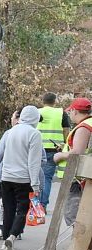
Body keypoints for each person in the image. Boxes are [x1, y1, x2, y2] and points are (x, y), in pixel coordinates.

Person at [0, 106, 43, 250]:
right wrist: (35, 184)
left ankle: (5, 239)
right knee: (22, 210)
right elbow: (34, 162)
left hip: (6, 178)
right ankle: (13, 236)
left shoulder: (10, 132)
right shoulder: (35, 134)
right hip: (24, 179)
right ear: (35, 118)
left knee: (8, 209)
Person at [53, 97, 92, 231]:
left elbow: (77, 153)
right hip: (83, 177)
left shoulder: (83, 127)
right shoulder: (89, 123)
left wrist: (60, 155)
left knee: (73, 214)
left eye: (70, 111)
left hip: (77, 177)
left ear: (75, 111)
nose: (69, 114)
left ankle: (77, 248)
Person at [0, 109, 21, 241]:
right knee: (18, 202)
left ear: (18, 118)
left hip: (6, 174)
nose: (11, 119)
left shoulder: (9, 133)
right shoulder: (34, 134)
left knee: (0, 200)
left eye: (13, 116)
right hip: (23, 176)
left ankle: (1, 228)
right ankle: (16, 230)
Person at [37, 93, 70, 208]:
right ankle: (42, 205)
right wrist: (65, 145)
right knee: (47, 178)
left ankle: (34, 205)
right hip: (53, 149)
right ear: (54, 101)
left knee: (35, 177)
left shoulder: (37, 112)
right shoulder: (61, 113)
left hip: (36, 149)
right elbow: (66, 130)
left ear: (42, 101)